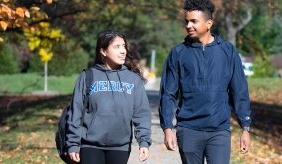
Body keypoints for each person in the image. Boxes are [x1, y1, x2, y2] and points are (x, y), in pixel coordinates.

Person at [158, 0, 251, 163]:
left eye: (194, 21)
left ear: (209, 23)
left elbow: (239, 90)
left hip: (219, 131)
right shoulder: (178, 53)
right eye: (186, 21)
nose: (188, 25)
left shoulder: (227, 51)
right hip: (188, 130)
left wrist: (245, 127)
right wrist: (167, 128)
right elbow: (168, 94)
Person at [66, 30, 151, 164]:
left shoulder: (133, 80)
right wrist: (72, 144)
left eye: (124, 46)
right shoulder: (87, 76)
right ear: (103, 51)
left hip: (120, 147)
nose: (123, 51)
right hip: (90, 145)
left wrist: (144, 141)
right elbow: (75, 112)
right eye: (117, 47)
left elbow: (141, 113)